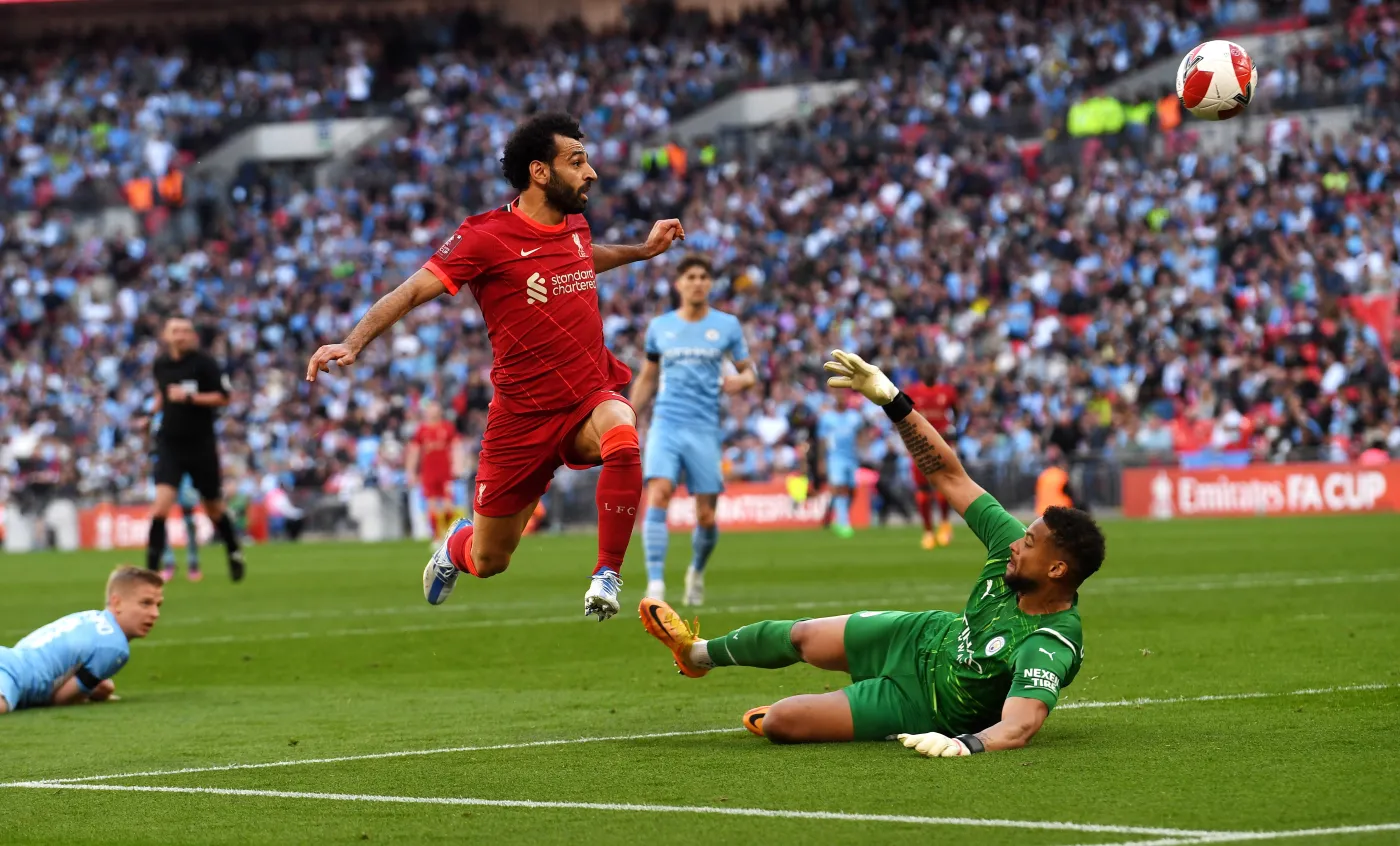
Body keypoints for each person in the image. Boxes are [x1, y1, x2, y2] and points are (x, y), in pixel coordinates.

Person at [305, 112, 684, 621]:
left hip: (586, 395)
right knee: (489, 560)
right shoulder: (485, 236)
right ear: (539, 172)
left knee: (623, 431)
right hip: (521, 419)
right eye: (577, 161)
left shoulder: (574, 222)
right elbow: (414, 288)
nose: (591, 172)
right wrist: (352, 343)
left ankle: (606, 575)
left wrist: (643, 252)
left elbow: (582, 256)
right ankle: (454, 545)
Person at [639, 350, 1106, 757]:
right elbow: (950, 475)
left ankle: (820, 713)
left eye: (1028, 544)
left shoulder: (1050, 641)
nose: (1015, 544)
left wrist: (968, 743)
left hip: (921, 705)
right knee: (802, 637)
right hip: (918, 636)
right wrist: (892, 401)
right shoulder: (1010, 546)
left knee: (782, 722)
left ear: (1057, 568)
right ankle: (695, 654)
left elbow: (1022, 724)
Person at [629, 255, 755, 605]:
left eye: (703, 276)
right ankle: (655, 583)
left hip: (704, 428)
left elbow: (751, 372)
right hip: (666, 423)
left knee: (706, 515)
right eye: (690, 277)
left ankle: (696, 570)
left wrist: (740, 380)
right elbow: (648, 377)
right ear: (679, 284)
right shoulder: (661, 327)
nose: (697, 282)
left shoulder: (726, 325)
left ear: (709, 284)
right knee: (659, 492)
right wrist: (629, 414)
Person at [147, 317, 245, 582]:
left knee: (213, 507)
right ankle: (150, 571)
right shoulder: (161, 364)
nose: (181, 335)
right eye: (175, 331)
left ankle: (234, 551)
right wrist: (151, 412)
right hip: (170, 444)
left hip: (201, 444)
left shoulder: (204, 363)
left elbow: (224, 397)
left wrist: (190, 397)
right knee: (160, 508)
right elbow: (162, 393)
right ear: (166, 336)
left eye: (186, 331)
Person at [0, 566, 163, 714]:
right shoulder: (115, 647)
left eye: (158, 605)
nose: (155, 613)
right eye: (146, 603)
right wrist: (86, 692)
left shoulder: (91, 616)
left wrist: (92, 686)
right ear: (117, 602)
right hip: (12, 677)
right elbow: (61, 699)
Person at [905, 363, 959, 549]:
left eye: (931, 369)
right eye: (926, 369)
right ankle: (927, 531)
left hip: (942, 444)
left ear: (936, 372)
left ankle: (944, 524)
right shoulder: (912, 391)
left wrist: (953, 431)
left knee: (942, 486)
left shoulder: (947, 391)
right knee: (922, 489)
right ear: (921, 372)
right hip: (919, 445)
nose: (929, 372)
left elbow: (957, 413)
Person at [406, 400, 466, 543]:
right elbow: (414, 451)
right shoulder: (421, 430)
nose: (433, 412)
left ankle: (448, 535)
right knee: (431, 505)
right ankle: (436, 537)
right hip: (429, 472)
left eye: (436, 409)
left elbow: (457, 447)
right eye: (431, 409)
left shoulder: (447, 427)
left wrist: (458, 465)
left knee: (448, 506)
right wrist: (411, 472)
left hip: (445, 472)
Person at [817, 395, 865, 539]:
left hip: (851, 457)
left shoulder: (854, 417)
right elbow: (822, 440)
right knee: (840, 488)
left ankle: (832, 513)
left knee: (851, 490)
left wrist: (863, 449)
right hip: (835, 457)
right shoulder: (827, 418)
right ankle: (843, 523)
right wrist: (821, 460)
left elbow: (861, 432)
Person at [160, 474, 202, 582]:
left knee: (189, 522)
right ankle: (169, 563)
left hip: (185, 474)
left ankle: (193, 564)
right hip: (165, 472)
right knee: (160, 520)